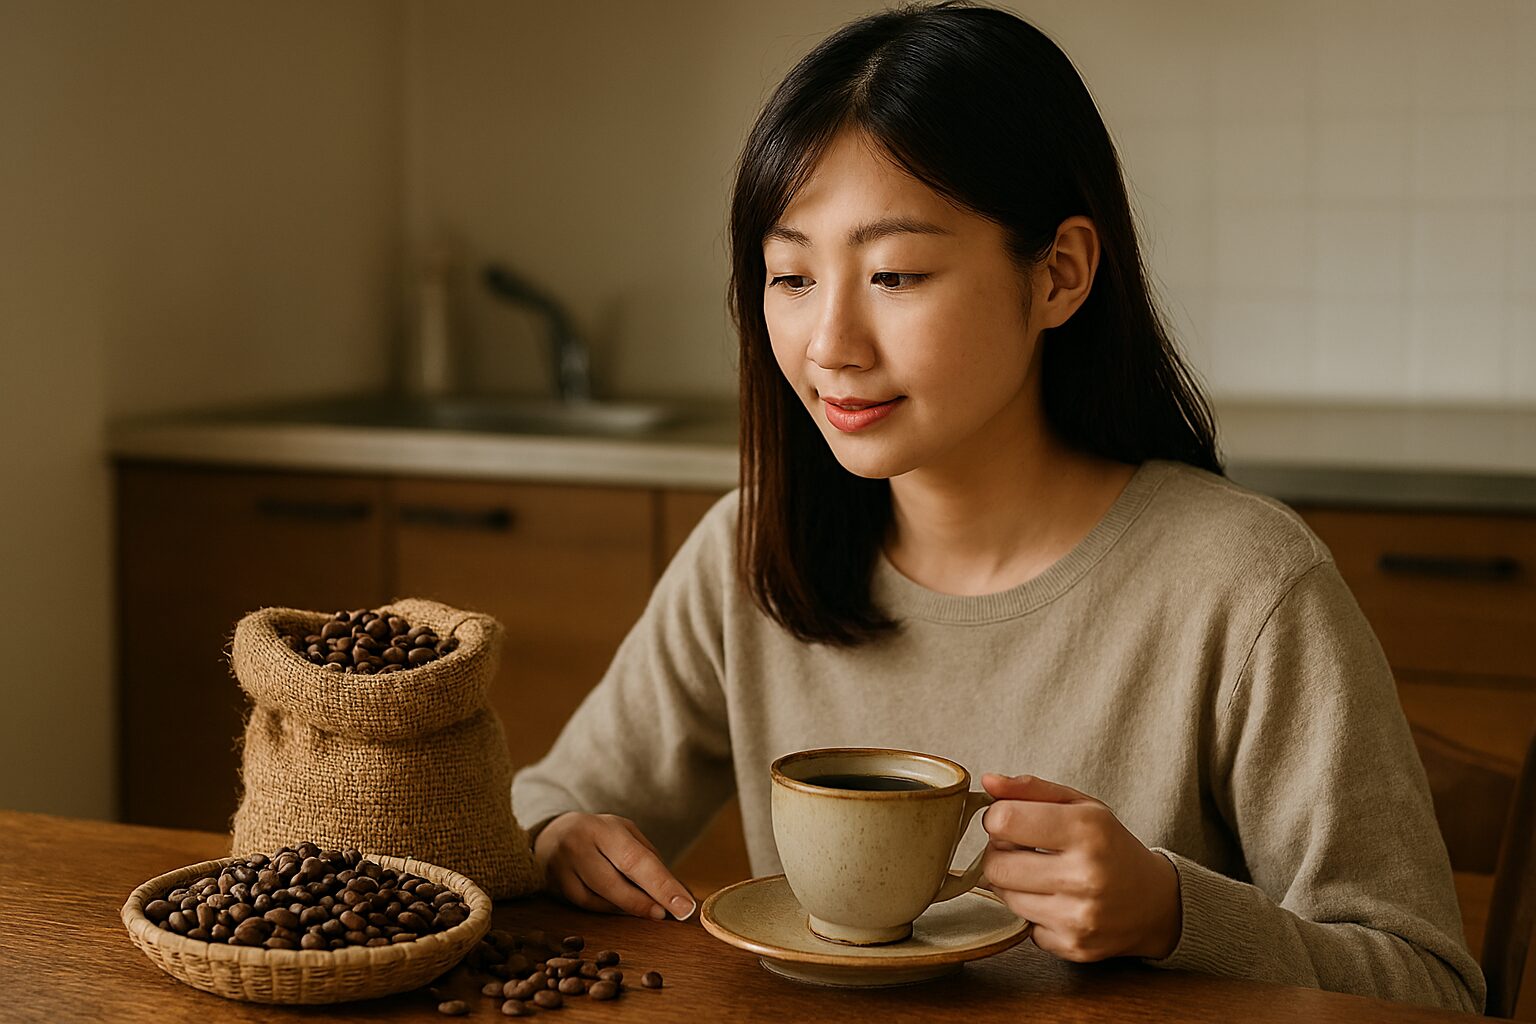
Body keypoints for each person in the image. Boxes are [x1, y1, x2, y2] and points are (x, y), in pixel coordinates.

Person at [512, 2, 1483, 1012]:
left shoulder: (1245, 584)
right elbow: (548, 803)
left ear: (1060, 273)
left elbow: (1432, 990)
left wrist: (1173, 914)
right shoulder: (753, 550)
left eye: (895, 273)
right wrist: (556, 837)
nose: (830, 344)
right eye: (791, 276)